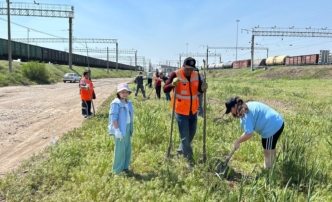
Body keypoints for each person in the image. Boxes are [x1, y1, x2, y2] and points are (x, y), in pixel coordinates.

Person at [163, 57, 208, 168]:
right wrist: (172, 84)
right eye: (187, 69)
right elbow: (165, 89)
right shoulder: (175, 74)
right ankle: (189, 160)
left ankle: (181, 149)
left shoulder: (196, 75)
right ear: (183, 66)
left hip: (193, 110)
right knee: (185, 136)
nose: (189, 71)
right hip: (180, 111)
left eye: (191, 69)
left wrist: (203, 88)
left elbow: (199, 90)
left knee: (191, 134)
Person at [225, 96, 284, 168]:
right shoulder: (246, 106)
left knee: (268, 153)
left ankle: (268, 173)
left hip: (271, 127)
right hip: (278, 121)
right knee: (271, 148)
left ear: (235, 106)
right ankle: (273, 168)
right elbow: (248, 131)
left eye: (231, 110)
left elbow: (249, 134)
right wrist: (239, 141)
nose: (231, 113)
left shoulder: (244, 115)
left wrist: (238, 142)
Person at [108, 83, 134, 176]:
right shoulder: (116, 103)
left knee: (127, 148)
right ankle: (117, 171)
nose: (125, 94)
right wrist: (117, 130)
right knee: (119, 149)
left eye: (126, 92)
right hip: (119, 129)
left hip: (127, 127)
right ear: (118, 93)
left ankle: (125, 167)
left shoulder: (128, 103)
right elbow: (113, 118)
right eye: (123, 92)